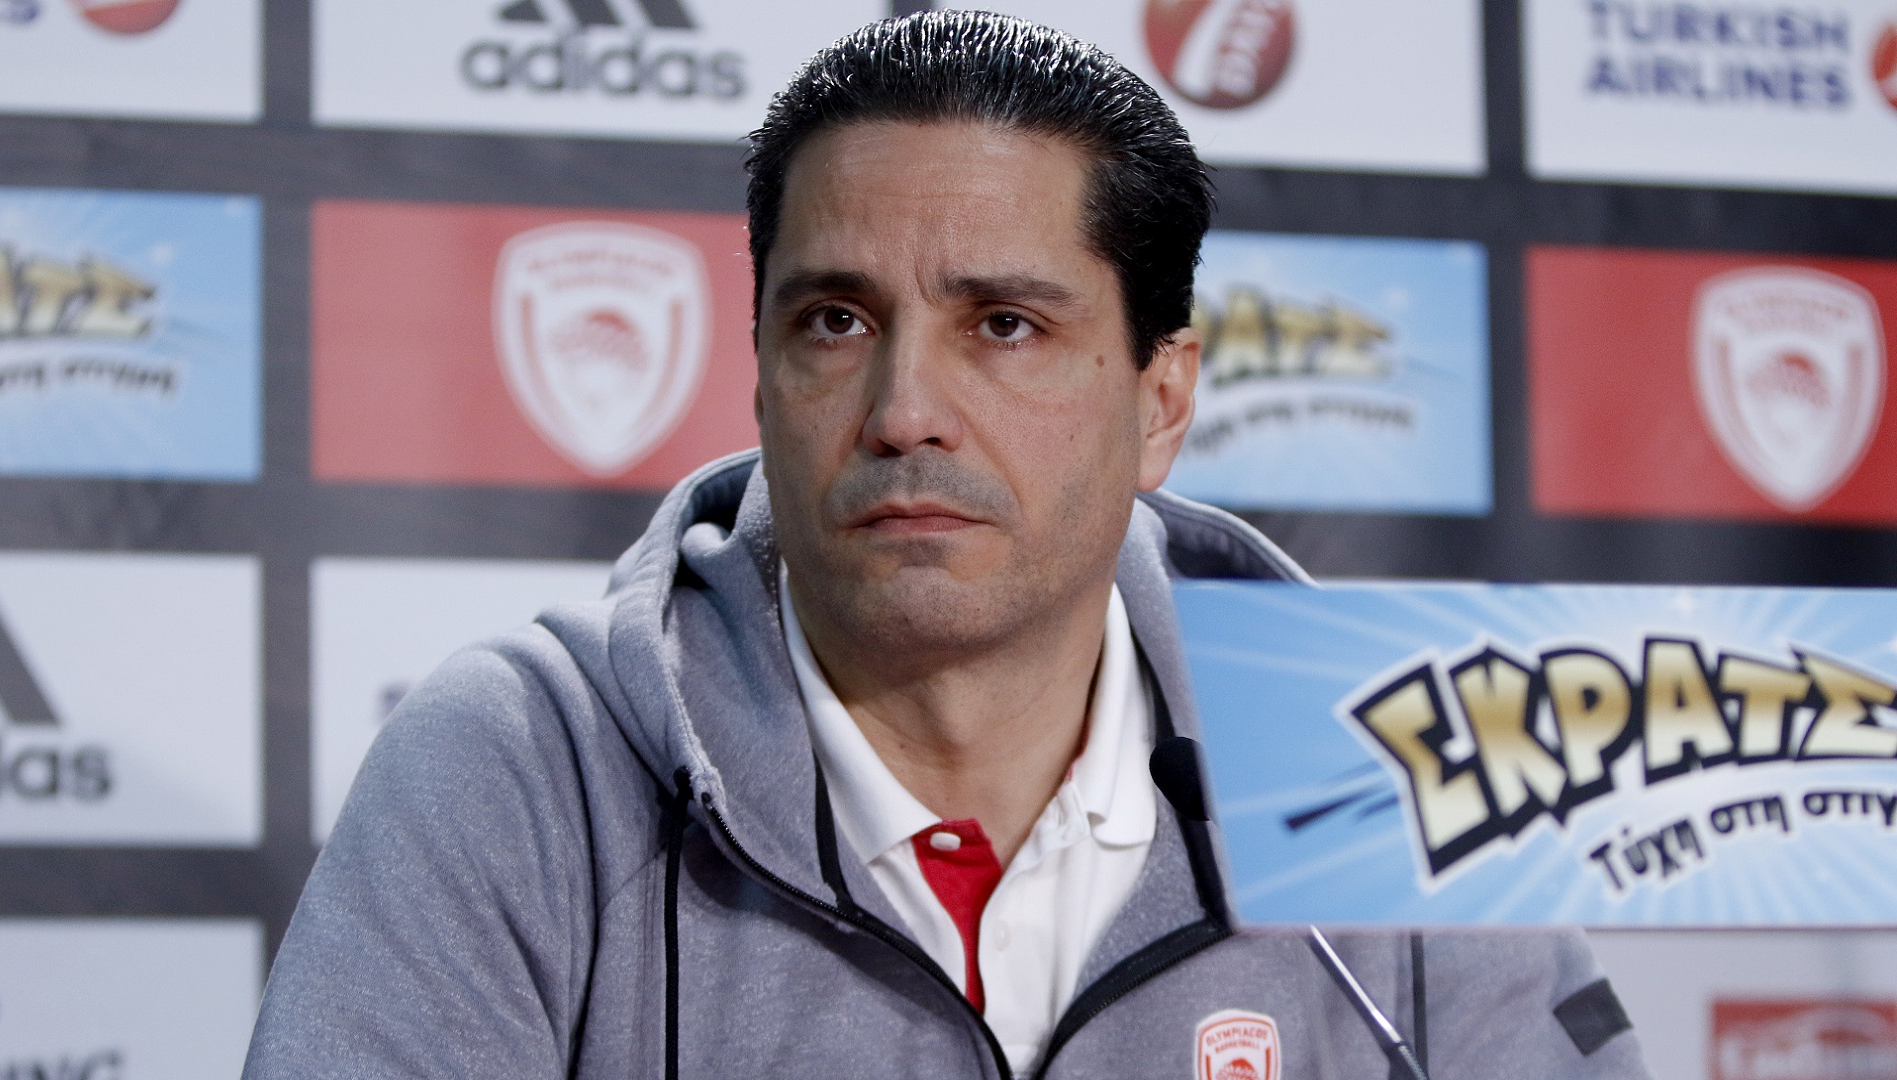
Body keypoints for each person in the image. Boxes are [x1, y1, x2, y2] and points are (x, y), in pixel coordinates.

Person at [243, 12, 1651, 1079]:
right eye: (835, 321)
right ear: (760, 372)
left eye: (1005, 326)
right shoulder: (521, 763)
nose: (903, 408)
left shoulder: (1392, 760)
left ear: (1161, 403)